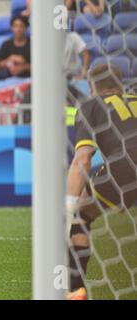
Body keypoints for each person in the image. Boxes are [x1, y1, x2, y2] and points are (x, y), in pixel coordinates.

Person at [66, 64, 137, 300]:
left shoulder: (91, 105)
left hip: (125, 166)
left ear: (91, 87)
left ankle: (75, 290)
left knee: (80, 217)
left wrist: (68, 205)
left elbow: (82, 160)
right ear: (119, 84)